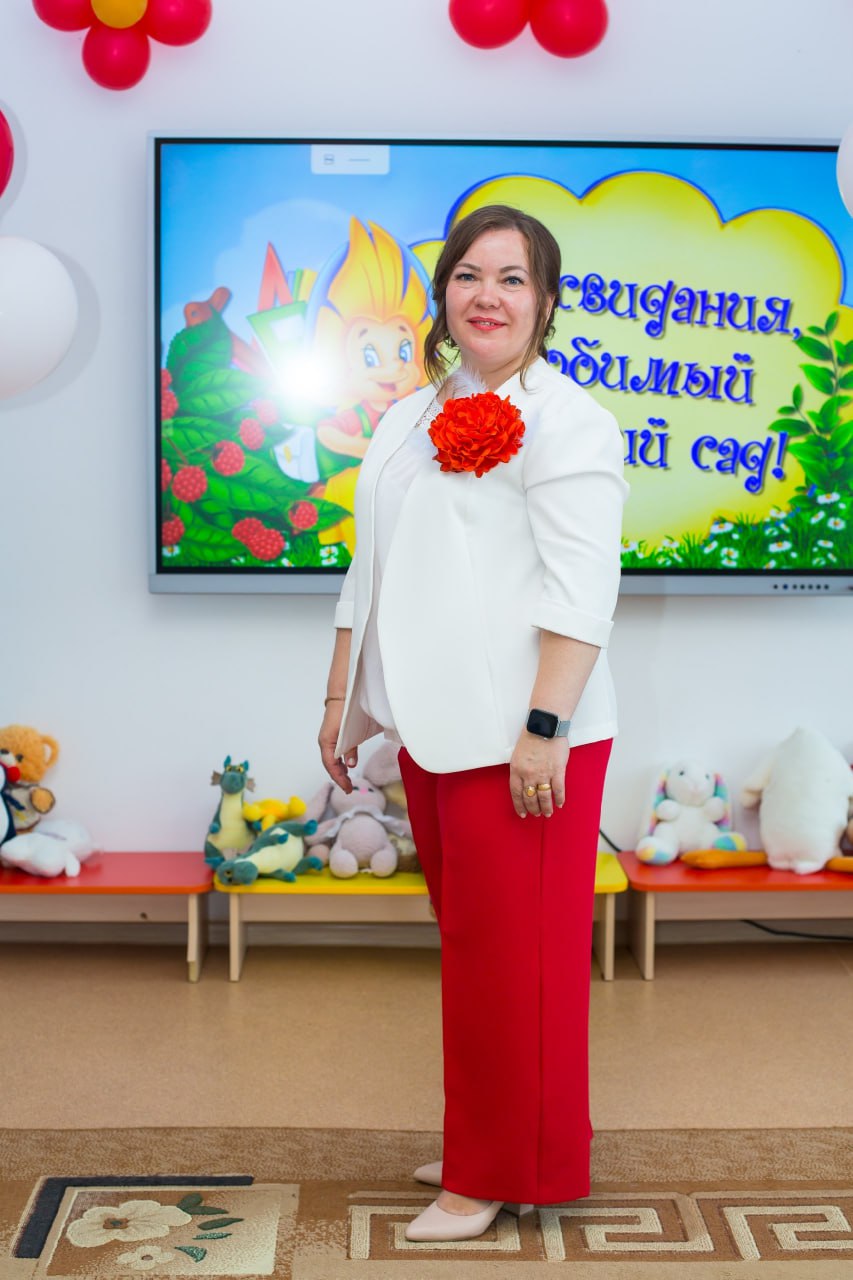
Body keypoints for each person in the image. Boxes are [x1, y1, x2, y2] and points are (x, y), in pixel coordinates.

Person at [318, 204, 628, 1243]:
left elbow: (582, 591)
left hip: (522, 738)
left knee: (518, 964)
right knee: (479, 953)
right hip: (434, 729)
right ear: (442, 291)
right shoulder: (413, 412)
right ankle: (489, 1143)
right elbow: (367, 567)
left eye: (512, 277)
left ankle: (492, 1172)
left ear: (545, 301)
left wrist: (543, 727)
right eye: (467, 275)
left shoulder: (569, 420)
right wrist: (342, 700)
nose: (486, 295)